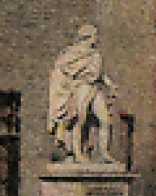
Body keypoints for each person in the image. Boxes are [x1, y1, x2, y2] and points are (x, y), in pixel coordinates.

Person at [47, 23, 119, 163]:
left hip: (95, 88)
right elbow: (61, 70)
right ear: (86, 37)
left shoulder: (96, 54)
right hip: (82, 87)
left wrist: (109, 84)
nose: (97, 38)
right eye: (94, 35)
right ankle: (77, 153)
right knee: (80, 120)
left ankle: (104, 153)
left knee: (105, 121)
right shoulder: (73, 53)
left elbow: (99, 74)